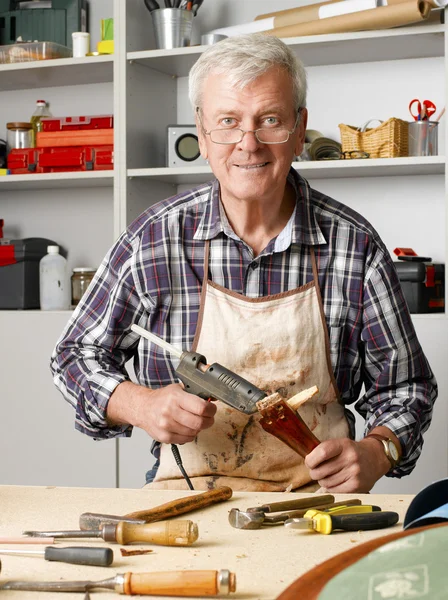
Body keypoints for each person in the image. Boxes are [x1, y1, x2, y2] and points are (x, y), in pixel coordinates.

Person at [51, 33, 437, 493]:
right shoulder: (153, 239)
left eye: (269, 120)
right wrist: (140, 404)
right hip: (185, 495)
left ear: (299, 129)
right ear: (202, 132)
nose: (248, 143)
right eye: (228, 122)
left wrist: (378, 451)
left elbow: (406, 387)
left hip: (317, 502)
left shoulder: (354, 247)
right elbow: (74, 355)